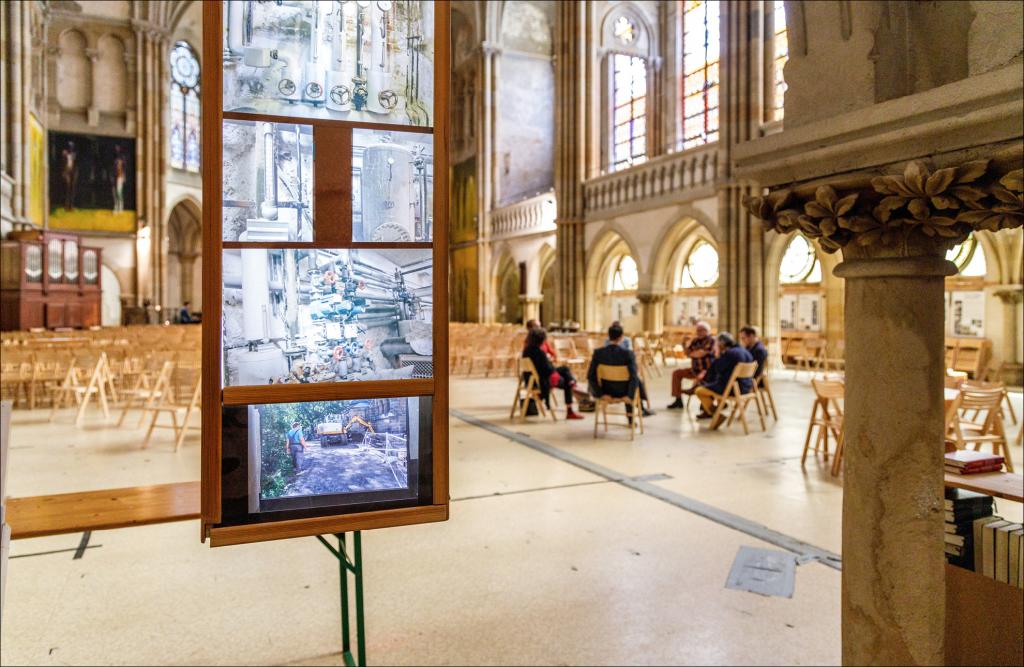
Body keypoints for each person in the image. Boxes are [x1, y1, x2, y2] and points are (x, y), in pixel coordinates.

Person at [588, 323, 654, 419]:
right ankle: (632, 417)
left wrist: (600, 394)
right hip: (624, 392)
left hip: (606, 391)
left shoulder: (598, 353)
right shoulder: (628, 354)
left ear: (608, 336)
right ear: (621, 337)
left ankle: (640, 410)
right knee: (635, 380)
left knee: (634, 380)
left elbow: (591, 376)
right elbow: (633, 377)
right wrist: (630, 396)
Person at [523, 327, 583, 420]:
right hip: (543, 380)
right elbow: (549, 370)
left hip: (532, 379)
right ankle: (570, 410)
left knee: (565, 369)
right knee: (567, 382)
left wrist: (548, 362)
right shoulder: (539, 353)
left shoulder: (527, 350)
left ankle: (572, 381)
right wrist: (549, 361)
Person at [694, 332, 755, 424]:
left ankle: (716, 415)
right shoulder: (744, 351)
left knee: (699, 390)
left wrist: (717, 354)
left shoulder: (729, 354)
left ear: (721, 344)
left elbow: (717, 369)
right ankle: (717, 407)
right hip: (746, 387)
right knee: (711, 384)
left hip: (732, 389)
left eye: (716, 344)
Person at [666, 321, 715, 409]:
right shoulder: (695, 341)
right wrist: (683, 344)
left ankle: (705, 403)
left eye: (701, 330)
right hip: (694, 369)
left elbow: (700, 354)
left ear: (707, 331)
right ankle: (678, 400)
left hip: (706, 370)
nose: (699, 332)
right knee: (676, 373)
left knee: (703, 378)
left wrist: (692, 353)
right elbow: (687, 353)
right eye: (698, 330)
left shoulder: (711, 340)